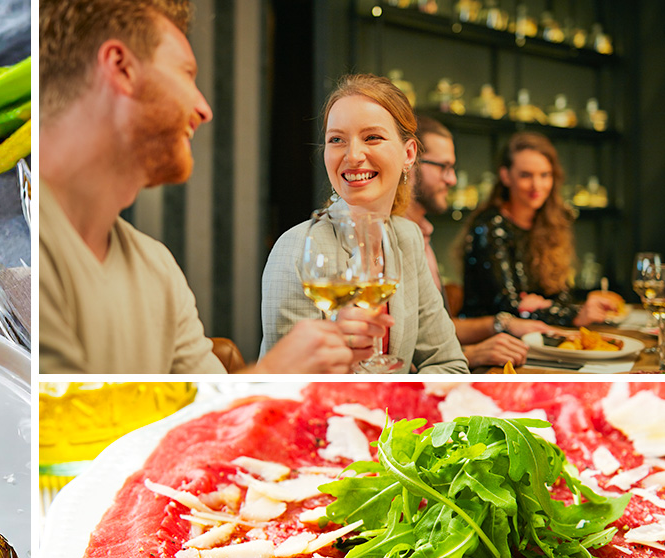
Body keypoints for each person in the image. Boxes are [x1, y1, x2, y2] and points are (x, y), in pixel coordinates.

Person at [38, 0, 354, 374]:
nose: (205, 109)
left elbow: (209, 411)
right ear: (121, 67)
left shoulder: (157, 268)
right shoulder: (40, 244)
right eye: (186, 73)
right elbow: (64, 430)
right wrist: (272, 377)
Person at [260, 74, 468, 373]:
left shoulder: (407, 237)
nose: (353, 155)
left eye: (372, 137)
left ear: (409, 154)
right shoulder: (296, 249)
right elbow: (289, 386)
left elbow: (448, 364)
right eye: (337, 140)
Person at [403, 117, 550, 369]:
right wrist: (471, 353)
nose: (452, 180)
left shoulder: (422, 232)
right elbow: (394, 354)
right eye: (443, 167)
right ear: (408, 161)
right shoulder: (391, 236)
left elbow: (435, 330)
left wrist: (503, 323)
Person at [459, 131, 621, 326]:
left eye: (545, 175)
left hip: (537, 338)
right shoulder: (490, 225)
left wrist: (543, 305)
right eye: (526, 175)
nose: (537, 185)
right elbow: (508, 307)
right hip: (490, 344)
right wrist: (570, 314)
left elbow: (562, 297)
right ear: (505, 176)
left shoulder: (551, 224)